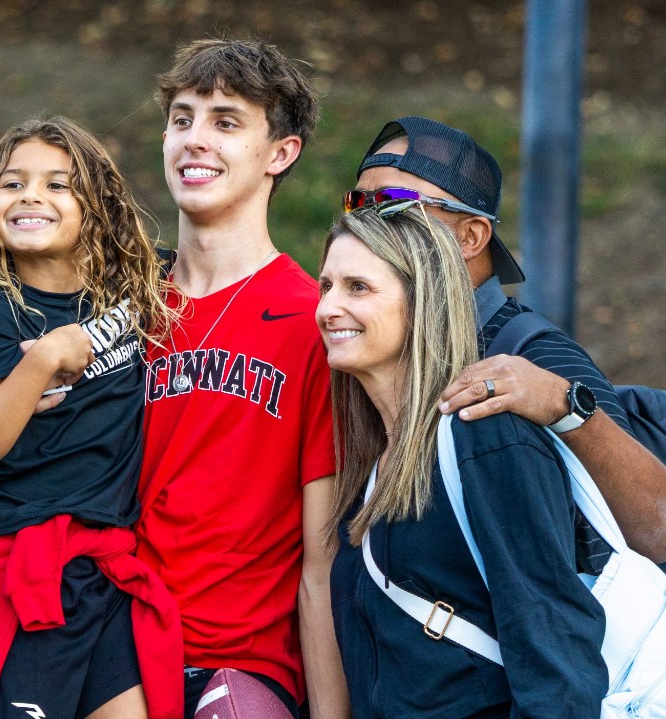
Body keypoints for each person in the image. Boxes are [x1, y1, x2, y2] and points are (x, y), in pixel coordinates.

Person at [318, 205, 606, 718]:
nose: (327, 308)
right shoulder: (375, 461)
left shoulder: (485, 436)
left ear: (422, 302)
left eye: (357, 287)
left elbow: (556, 658)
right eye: (326, 286)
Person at [134, 39, 347, 718]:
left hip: (241, 664)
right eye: (183, 118)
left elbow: (321, 564)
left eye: (226, 121)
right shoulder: (122, 314)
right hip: (113, 651)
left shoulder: (314, 319)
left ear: (279, 153)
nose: (195, 139)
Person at [0, 116, 183, 719]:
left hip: (109, 577)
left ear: (96, 206)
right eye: (13, 183)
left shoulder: (136, 287)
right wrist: (45, 357)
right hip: (23, 571)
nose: (31, 196)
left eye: (57, 184)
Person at [349, 116, 666, 564]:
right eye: (357, 205)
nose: (366, 225)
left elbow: (656, 529)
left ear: (471, 237)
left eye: (392, 206)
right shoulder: (377, 344)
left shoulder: (535, 353)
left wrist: (564, 405)